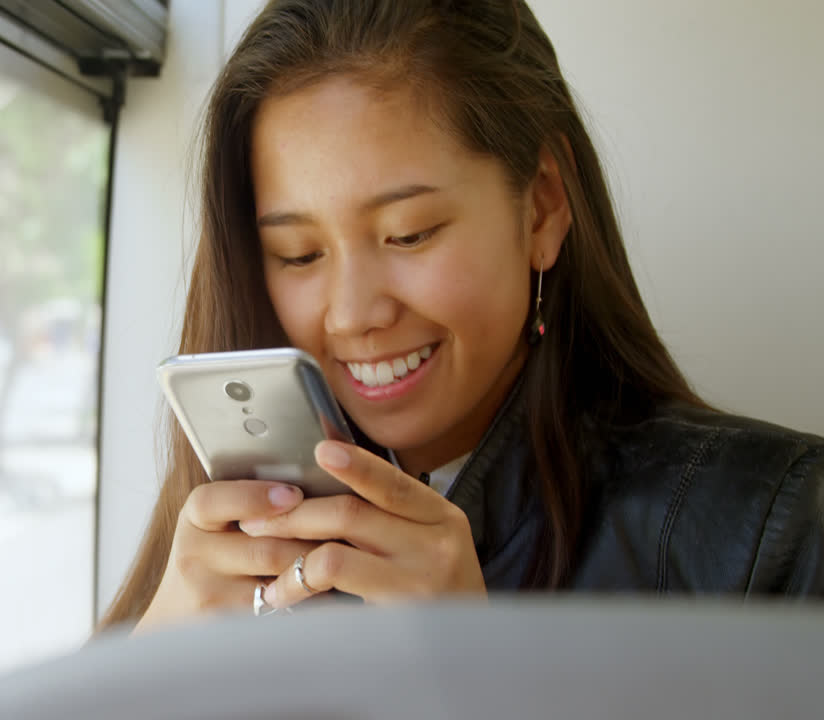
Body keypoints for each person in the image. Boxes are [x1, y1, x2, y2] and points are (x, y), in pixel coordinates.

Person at [100, 0, 824, 633]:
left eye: (409, 234)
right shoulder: (221, 535)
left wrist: (480, 680)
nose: (353, 315)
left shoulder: (778, 524)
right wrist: (150, 677)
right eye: (297, 254)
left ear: (541, 206)